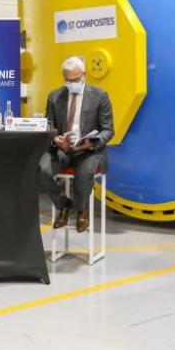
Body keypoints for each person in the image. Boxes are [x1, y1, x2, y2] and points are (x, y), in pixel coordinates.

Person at [39, 56, 114, 233]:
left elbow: (108, 130)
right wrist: (55, 139)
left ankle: (82, 210)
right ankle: (64, 205)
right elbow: (48, 127)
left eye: (75, 80)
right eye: (67, 80)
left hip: (89, 150)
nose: (71, 83)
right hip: (63, 149)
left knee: (85, 171)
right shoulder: (55, 96)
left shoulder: (100, 96)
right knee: (41, 169)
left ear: (84, 75)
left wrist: (89, 143)